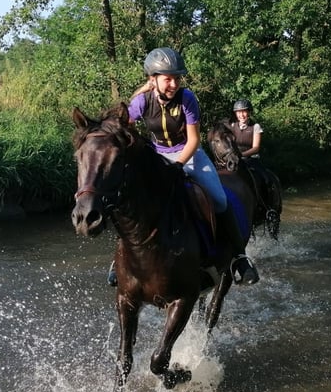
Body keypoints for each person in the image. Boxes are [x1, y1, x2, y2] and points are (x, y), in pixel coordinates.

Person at [106, 47, 259, 286]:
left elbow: (194, 139)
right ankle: (119, 261)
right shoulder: (143, 101)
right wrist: (142, 91)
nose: (174, 83)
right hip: (157, 156)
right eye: (168, 78)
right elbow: (122, 123)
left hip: (189, 154)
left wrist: (178, 165)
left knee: (219, 199)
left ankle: (240, 257)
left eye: (177, 78)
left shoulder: (187, 98)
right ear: (152, 79)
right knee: (133, 201)